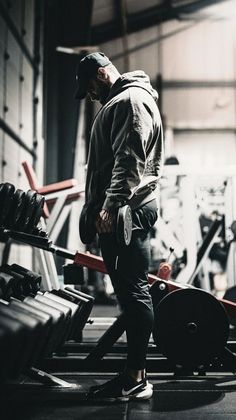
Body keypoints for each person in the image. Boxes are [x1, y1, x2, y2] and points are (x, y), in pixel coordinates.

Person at [75, 52, 164, 402]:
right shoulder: (121, 101)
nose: (91, 94)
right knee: (129, 297)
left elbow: (129, 158)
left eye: (91, 86)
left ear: (101, 73)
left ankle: (136, 379)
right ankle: (134, 374)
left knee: (134, 294)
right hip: (120, 210)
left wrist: (112, 207)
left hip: (127, 210)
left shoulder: (130, 100)